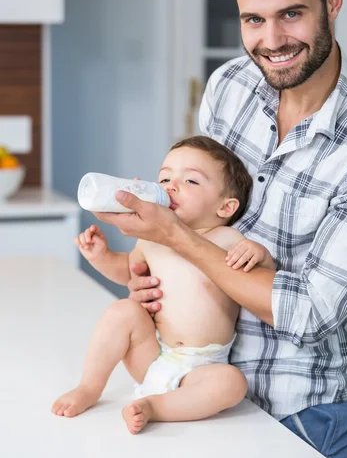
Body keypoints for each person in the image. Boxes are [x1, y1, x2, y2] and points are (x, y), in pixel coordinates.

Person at [94, 0, 347, 458]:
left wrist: (174, 238)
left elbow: (309, 315)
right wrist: (153, 267)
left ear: (332, 2)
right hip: (203, 394)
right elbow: (203, 211)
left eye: (291, 14)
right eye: (253, 19)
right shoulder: (230, 84)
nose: (271, 39)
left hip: (306, 412)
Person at [52, 136, 274, 434]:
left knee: (232, 383)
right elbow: (131, 273)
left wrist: (260, 254)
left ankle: (157, 407)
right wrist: (100, 256)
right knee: (123, 310)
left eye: (191, 181)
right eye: (165, 177)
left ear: (225, 207)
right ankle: (89, 387)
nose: (171, 185)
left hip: (203, 369)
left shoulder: (227, 240)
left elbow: (262, 281)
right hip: (155, 356)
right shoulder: (151, 238)